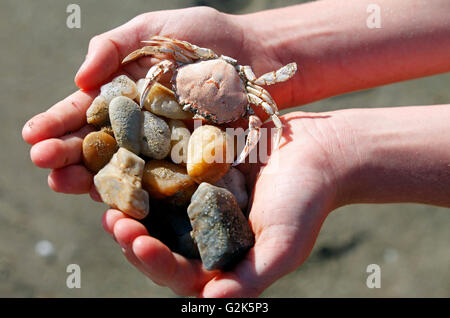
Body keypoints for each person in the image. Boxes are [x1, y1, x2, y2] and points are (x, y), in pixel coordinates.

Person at [22, 0, 450, 297]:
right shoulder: (190, 57)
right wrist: (255, 39)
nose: (192, 113)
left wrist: (324, 149)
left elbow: (266, 103)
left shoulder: (249, 90)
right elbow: (169, 55)